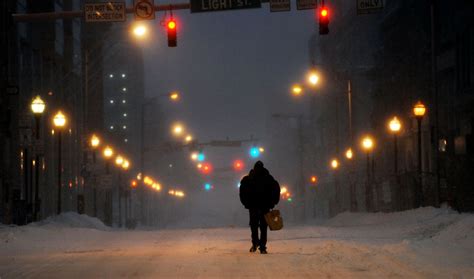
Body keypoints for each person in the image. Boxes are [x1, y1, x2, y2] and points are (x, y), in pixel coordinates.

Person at [239, 161, 280, 254]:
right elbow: (276, 190)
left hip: (253, 206)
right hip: (265, 206)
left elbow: (242, 192)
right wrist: (273, 203)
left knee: (254, 226)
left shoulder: (248, 179)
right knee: (263, 227)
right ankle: (262, 247)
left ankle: (255, 244)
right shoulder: (269, 178)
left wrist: (246, 203)